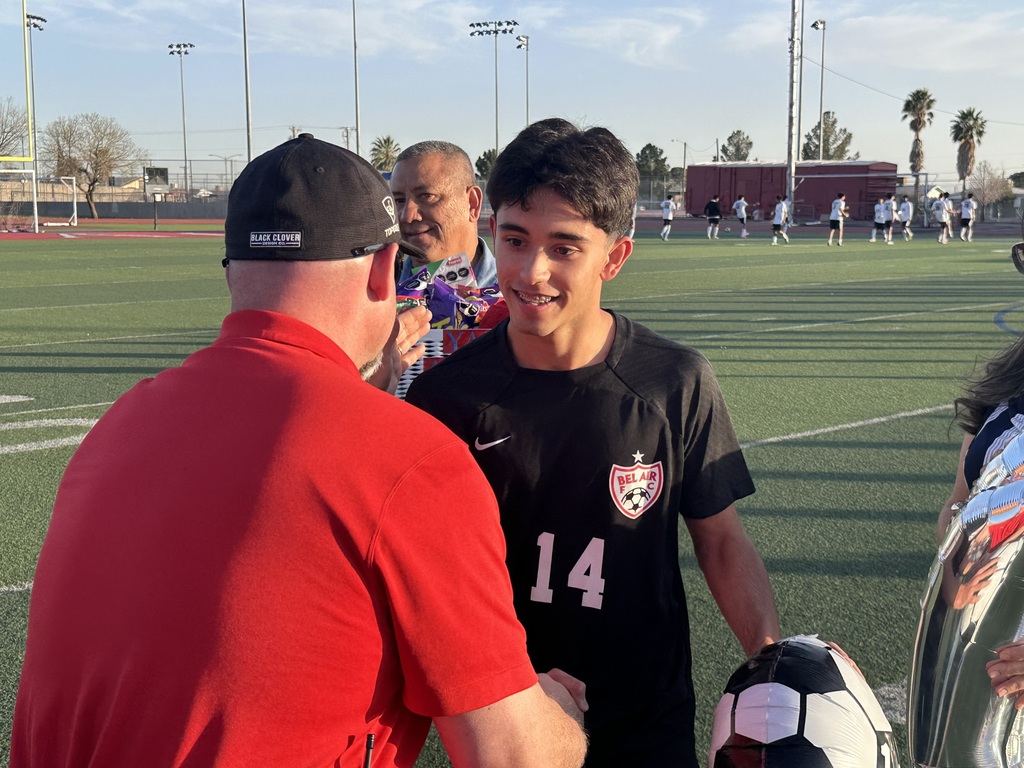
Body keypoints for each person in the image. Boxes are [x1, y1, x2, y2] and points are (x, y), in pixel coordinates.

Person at [10, 134, 588, 768]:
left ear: (232, 271)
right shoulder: (409, 461)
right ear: (380, 270)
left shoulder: (119, 424)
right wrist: (557, 710)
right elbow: (512, 757)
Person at [406, 118, 780, 767]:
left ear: (614, 256)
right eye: (515, 240)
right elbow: (430, 585)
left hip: (648, 719)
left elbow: (720, 541)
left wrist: (774, 663)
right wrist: (509, 686)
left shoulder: (673, 380)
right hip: (508, 725)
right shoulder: (446, 399)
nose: (530, 271)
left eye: (564, 247)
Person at [389, 140, 497, 287]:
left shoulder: (519, 298)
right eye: (399, 200)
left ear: (472, 203)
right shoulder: (376, 297)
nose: (407, 216)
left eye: (427, 196)